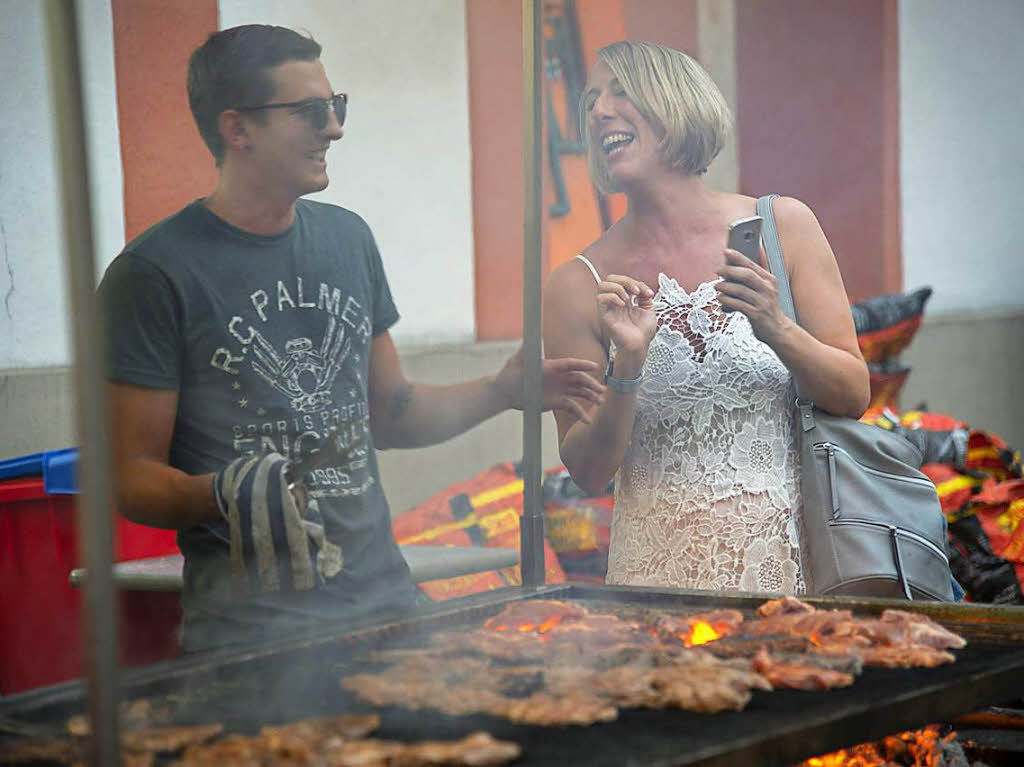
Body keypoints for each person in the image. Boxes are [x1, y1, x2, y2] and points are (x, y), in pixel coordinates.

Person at [99, 25, 604, 652]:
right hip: (253, 637)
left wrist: (502, 389)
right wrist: (224, 492)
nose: (334, 130)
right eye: (312, 112)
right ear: (238, 129)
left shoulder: (346, 239)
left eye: (336, 108)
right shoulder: (153, 274)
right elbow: (132, 479)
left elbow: (391, 415)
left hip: (388, 608)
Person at [542, 41, 870, 595]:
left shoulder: (782, 226)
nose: (598, 110)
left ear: (676, 103)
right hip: (655, 588)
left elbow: (853, 393)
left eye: (621, 91)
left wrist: (776, 326)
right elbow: (589, 471)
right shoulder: (576, 285)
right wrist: (629, 364)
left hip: (790, 578)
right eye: (592, 99)